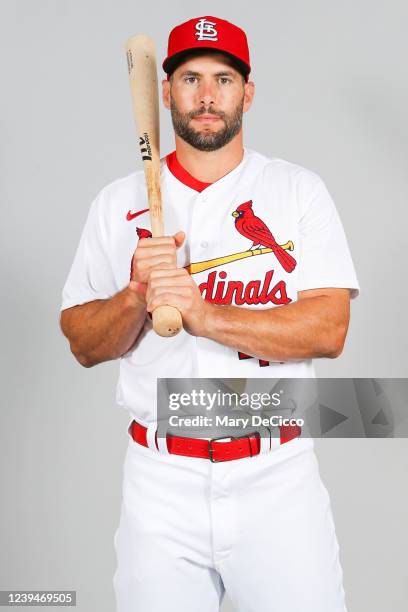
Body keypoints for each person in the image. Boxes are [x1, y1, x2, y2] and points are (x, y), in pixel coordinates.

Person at [60, 15, 359, 612]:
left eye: (223, 79)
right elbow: (82, 342)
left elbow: (329, 330)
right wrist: (134, 297)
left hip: (277, 473)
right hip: (160, 478)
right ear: (166, 90)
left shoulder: (297, 191)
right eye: (190, 78)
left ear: (247, 93)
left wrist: (204, 312)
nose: (206, 95)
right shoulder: (117, 203)